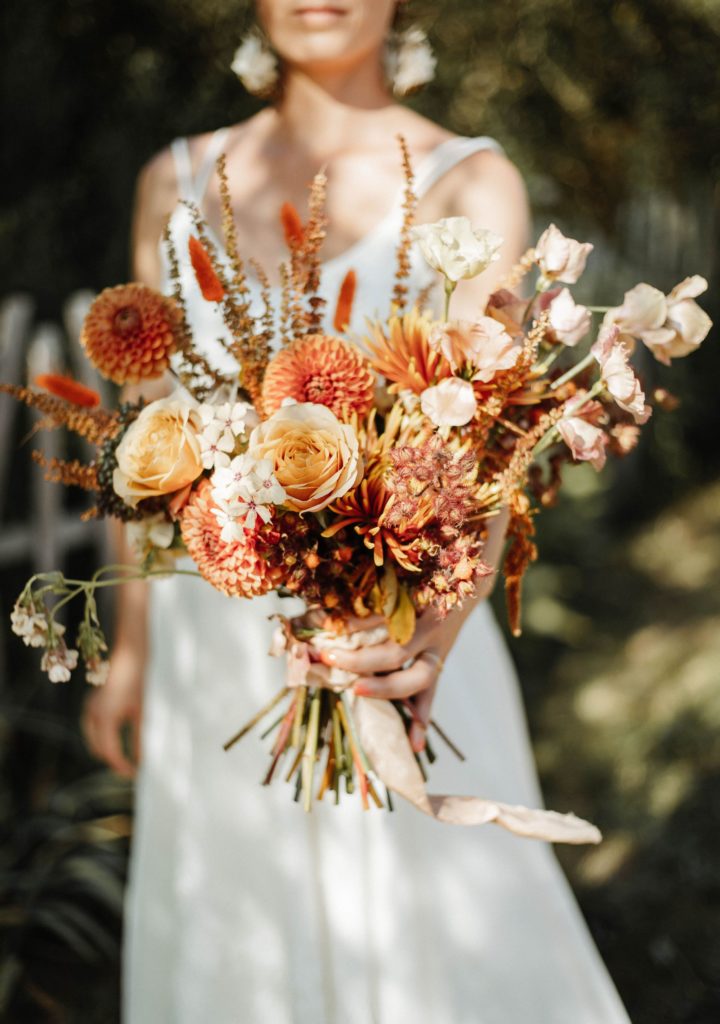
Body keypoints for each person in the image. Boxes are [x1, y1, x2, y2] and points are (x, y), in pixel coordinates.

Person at [83, 2, 632, 1020]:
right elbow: (144, 436)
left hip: (395, 621)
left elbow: (493, 438)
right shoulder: (173, 177)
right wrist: (131, 652)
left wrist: (431, 639)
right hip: (214, 637)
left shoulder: (473, 179)